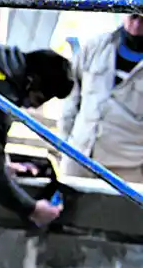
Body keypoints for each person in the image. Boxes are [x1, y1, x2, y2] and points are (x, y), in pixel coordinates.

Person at [0, 41, 73, 226]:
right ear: (31, 82)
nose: (26, 107)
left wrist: (2, 162)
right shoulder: (0, 102)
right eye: (34, 100)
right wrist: (33, 209)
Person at [59, 14, 143, 182]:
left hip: (127, 166)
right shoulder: (96, 46)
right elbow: (71, 94)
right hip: (78, 155)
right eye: (134, 16)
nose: (137, 24)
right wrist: (64, 141)